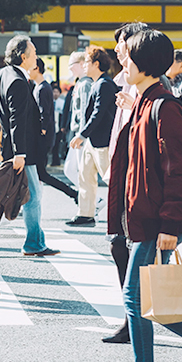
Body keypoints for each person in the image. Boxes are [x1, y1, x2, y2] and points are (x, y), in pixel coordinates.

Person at [108, 29, 182, 362]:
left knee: (136, 297)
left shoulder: (163, 108)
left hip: (159, 221)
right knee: (153, 303)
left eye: (128, 56)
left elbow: (180, 171)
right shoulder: (143, 103)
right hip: (146, 218)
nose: (123, 61)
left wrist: (172, 224)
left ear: (144, 63)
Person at [0, 35, 59, 257]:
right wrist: (20, 152)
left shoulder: (2, 75)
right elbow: (17, 119)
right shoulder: (18, 81)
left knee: (5, 193)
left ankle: (36, 241)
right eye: (34, 53)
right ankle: (33, 243)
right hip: (21, 150)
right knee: (31, 195)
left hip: (8, 147)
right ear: (23, 56)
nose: (37, 57)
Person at [103, 21, 151, 344]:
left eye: (123, 43)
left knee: (126, 248)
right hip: (120, 178)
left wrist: (135, 108)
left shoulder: (145, 87)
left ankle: (133, 317)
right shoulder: (122, 81)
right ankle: (133, 317)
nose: (119, 49)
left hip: (137, 181)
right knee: (119, 245)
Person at [68, 45, 117, 227]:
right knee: (85, 175)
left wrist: (82, 134)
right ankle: (85, 213)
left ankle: (120, 213)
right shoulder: (99, 83)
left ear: (96, 64)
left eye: (87, 61)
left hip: (102, 140)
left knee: (110, 178)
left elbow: (99, 113)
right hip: (94, 140)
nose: (84, 64)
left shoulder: (104, 84)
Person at [29, 58, 78, 203]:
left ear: (36, 68)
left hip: (42, 139)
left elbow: (44, 113)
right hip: (43, 137)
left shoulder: (43, 88)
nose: (27, 71)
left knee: (41, 174)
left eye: (29, 68)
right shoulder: (40, 87)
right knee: (40, 174)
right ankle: (72, 193)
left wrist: (42, 131)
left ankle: (72, 193)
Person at [50, 83, 65, 166]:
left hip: (59, 126)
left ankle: (56, 161)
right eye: (54, 92)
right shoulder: (49, 102)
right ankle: (53, 161)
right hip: (51, 127)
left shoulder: (62, 102)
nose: (55, 93)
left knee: (57, 144)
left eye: (57, 92)